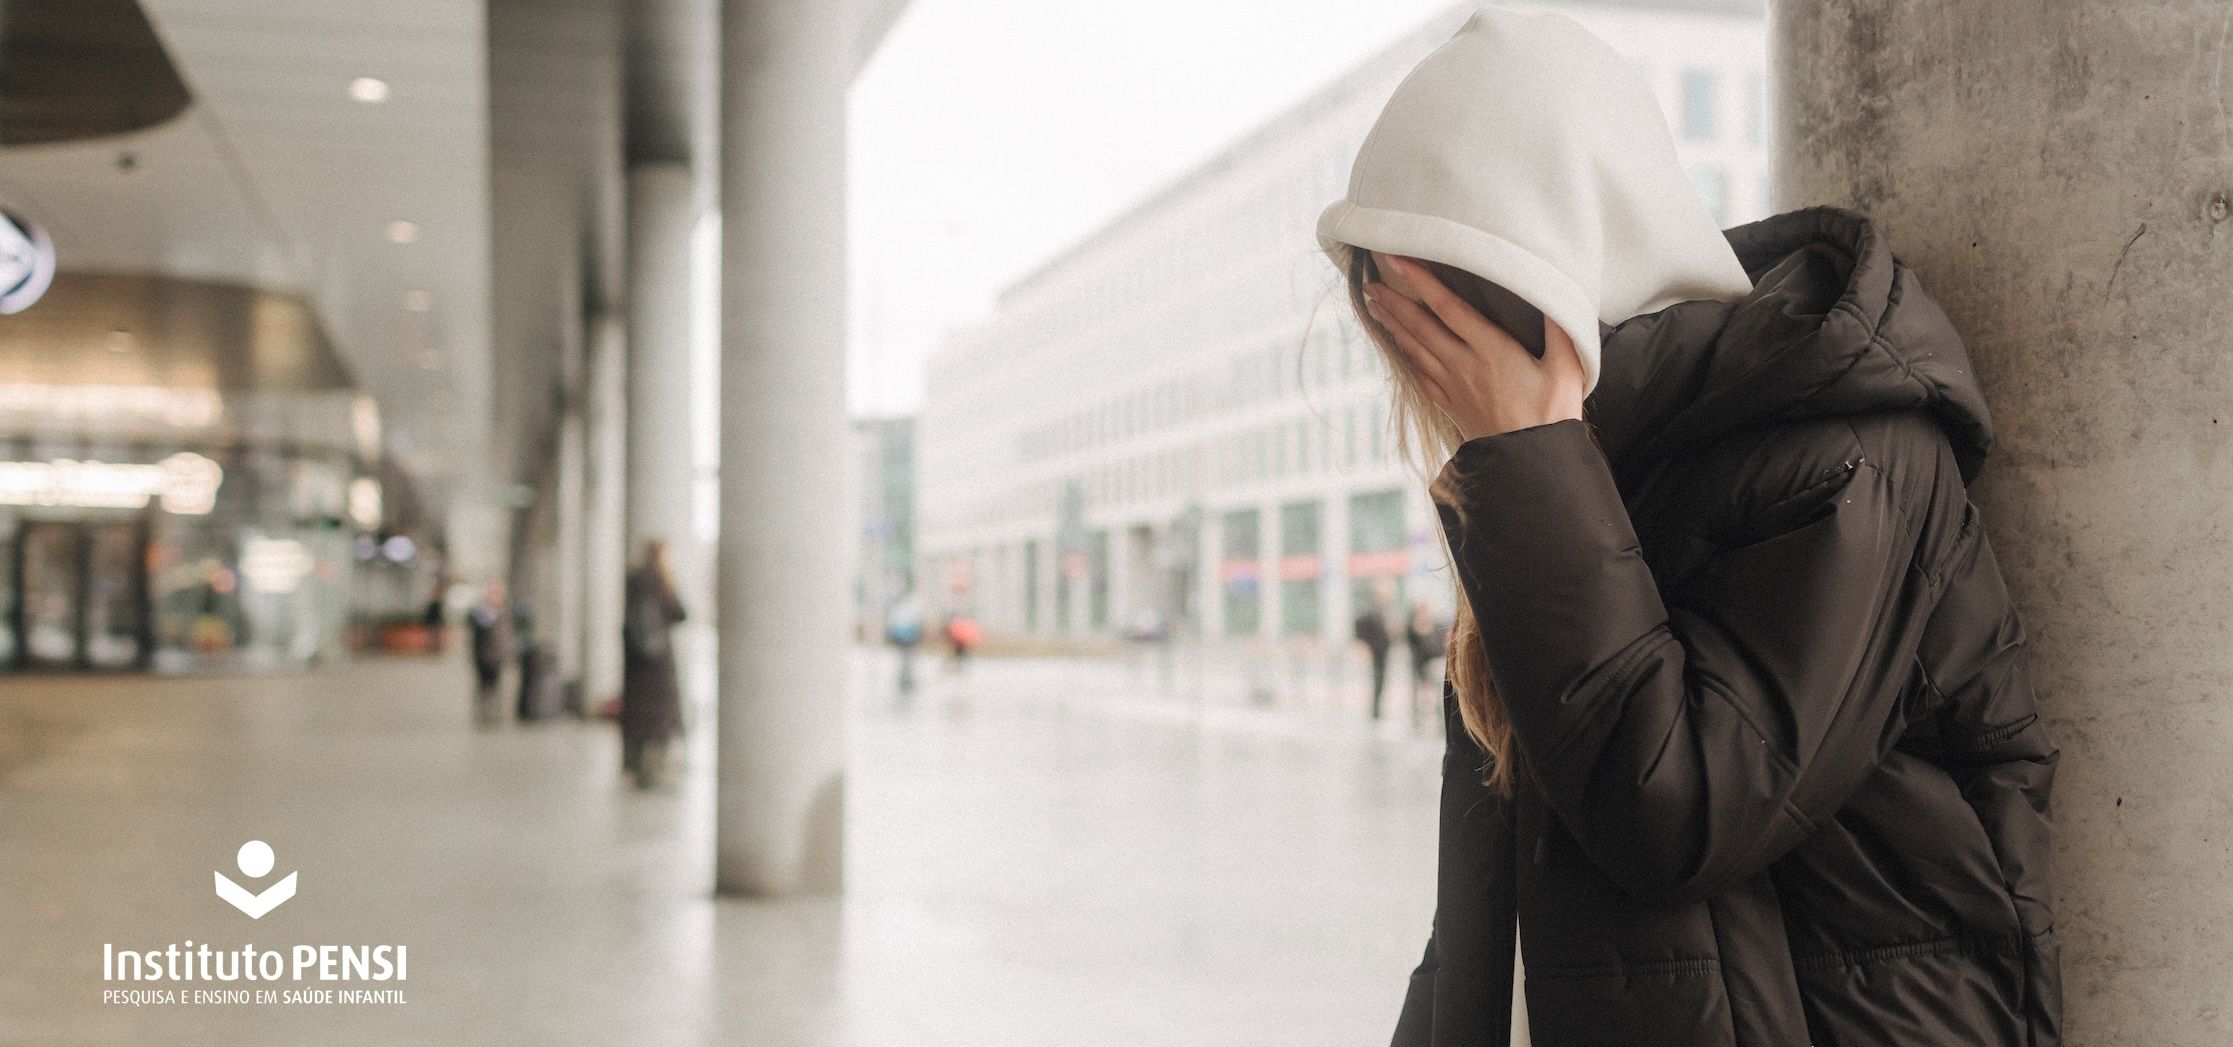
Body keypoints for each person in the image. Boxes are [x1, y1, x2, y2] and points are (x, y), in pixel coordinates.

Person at [1318, 10, 2060, 1046]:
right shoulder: (1557, 488)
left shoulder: (1848, 453)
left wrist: (1530, 460)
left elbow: (1680, 812)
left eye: (1445, 327)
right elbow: (1480, 919)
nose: (1431, 377)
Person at [619, 539, 687, 788]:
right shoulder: (659, 580)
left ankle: (635, 769)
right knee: (659, 719)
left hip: (637, 662)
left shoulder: (635, 578)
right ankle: (653, 774)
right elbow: (680, 613)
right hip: (657, 661)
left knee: (639, 718)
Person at [465, 581, 512, 725]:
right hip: (483, 655)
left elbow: (507, 636)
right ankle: (484, 714)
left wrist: (509, 653)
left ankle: (495, 714)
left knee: (496, 685)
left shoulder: (504, 612)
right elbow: (478, 628)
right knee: (483, 685)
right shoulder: (484, 612)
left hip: (497, 655)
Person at [1352, 579, 1395, 720]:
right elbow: (1359, 624)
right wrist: (1362, 644)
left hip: (1383, 649)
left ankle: (1377, 710)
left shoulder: (1384, 607)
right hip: (1375, 649)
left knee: (1381, 680)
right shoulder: (1370, 606)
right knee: (1376, 679)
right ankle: (1374, 710)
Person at [1401, 600, 1446, 731]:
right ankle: (1417, 718)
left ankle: (1438, 717)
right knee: (1418, 693)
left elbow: (1439, 648)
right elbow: (1414, 648)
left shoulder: (1435, 626)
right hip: (1419, 665)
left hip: (1433, 665)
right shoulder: (1412, 628)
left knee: (1438, 690)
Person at [885, 585, 925, 698]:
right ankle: (906, 678)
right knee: (907, 658)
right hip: (909, 637)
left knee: (906, 658)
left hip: (906, 637)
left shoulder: (903, 606)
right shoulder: (909, 606)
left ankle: (906, 677)